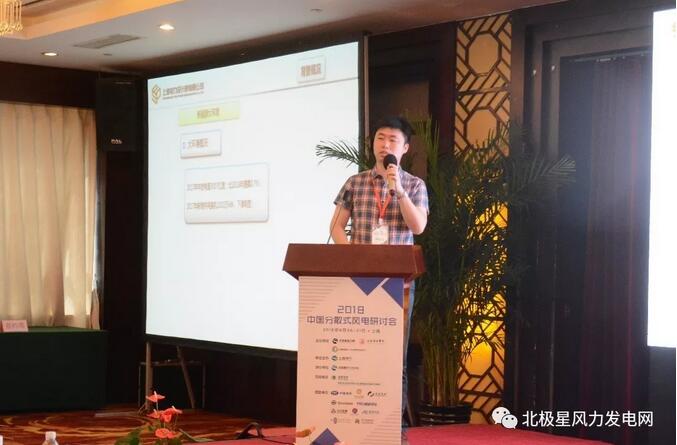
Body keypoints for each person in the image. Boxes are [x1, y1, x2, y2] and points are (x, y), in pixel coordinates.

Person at [329, 116, 429, 429]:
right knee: (356, 354)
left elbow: (418, 227)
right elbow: (335, 227)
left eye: (393, 140)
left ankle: (392, 427)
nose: (385, 145)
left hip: (398, 285)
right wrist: (353, 257)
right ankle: (355, 423)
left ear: (405, 148)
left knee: (393, 358)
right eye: (380, 138)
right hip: (358, 280)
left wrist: (399, 191)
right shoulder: (355, 182)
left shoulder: (414, 185)